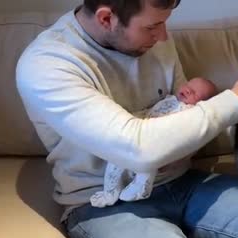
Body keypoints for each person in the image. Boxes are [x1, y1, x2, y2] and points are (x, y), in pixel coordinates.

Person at [15, 1, 238, 238]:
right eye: (153, 26)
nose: (163, 36)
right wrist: (236, 100)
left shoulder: (153, 40)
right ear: (107, 18)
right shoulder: (47, 64)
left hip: (185, 183)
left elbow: (183, 113)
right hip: (104, 207)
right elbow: (139, 148)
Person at [90, 77, 218, 207]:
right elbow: (150, 111)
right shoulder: (169, 99)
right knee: (115, 161)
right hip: (138, 134)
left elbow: (190, 133)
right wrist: (132, 118)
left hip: (160, 143)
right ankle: (110, 191)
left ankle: (141, 186)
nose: (188, 90)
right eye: (187, 85)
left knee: (148, 163)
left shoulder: (190, 111)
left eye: (194, 93)